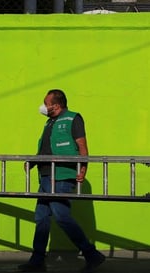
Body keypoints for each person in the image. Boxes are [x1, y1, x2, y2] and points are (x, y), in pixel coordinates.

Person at [18, 89, 106, 273]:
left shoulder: (73, 118)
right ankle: (37, 260)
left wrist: (83, 169)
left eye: (46, 103)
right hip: (45, 175)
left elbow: (82, 146)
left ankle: (92, 254)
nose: (44, 106)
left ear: (56, 105)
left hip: (62, 174)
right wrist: (34, 162)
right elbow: (46, 149)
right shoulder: (49, 122)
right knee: (41, 217)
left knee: (60, 215)